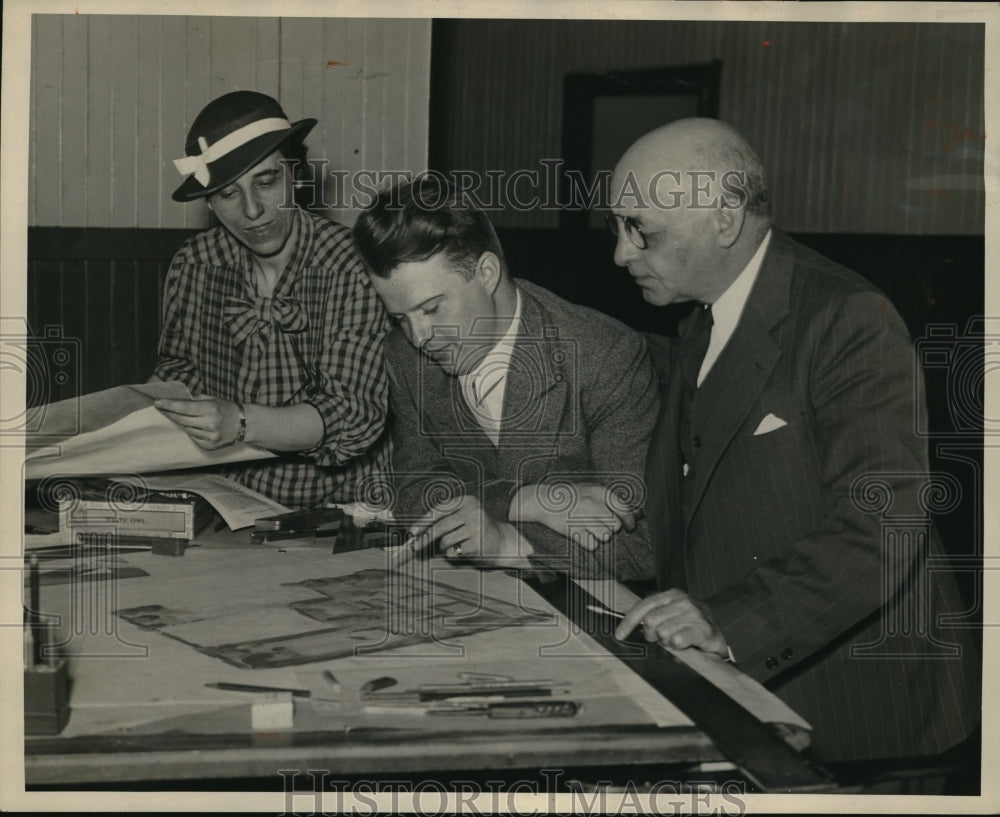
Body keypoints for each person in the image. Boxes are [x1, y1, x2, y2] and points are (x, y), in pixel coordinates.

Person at [609, 118, 980, 763]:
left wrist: (729, 623)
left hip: (860, 710)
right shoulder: (700, 316)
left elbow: (883, 523)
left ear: (724, 219)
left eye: (639, 229)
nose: (621, 253)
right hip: (746, 691)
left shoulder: (847, 316)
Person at [352, 177, 657, 579]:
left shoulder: (607, 356)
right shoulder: (403, 353)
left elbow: (644, 547)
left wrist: (508, 544)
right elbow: (413, 490)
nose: (419, 337)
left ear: (487, 272)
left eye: (431, 309)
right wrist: (522, 501)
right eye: (399, 317)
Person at [150, 91, 389, 507]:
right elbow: (179, 368)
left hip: (344, 508)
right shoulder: (194, 263)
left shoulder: (353, 267)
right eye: (228, 194)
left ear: (295, 174)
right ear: (210, 201)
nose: (253, 210)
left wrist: (239, 423)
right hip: (227, 500)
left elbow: (350, 415)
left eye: (266, 182)